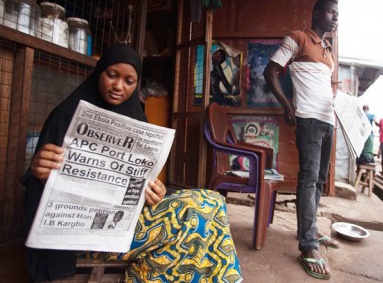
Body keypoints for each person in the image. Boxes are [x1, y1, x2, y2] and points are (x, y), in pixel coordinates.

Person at [22, 44, 242, 282]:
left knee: (212, 201)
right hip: (78, 236)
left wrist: (153, 189)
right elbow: (35, 190)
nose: (118, 86)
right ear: (99, 73)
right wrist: (40, 172)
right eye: (112, 75)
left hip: (122, 222)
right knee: (195, 218)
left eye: (129, 81)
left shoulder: (135, 117)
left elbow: (137, 182)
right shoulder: (66, 115)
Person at [263, 0, 338, 280]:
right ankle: (308, 246)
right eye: (332, 13)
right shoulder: (298, 38)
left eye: (338, 15)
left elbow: (324, 86)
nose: (335, 19)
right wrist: (287, 105)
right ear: (317, 12)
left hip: (329, 121)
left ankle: (309, 231)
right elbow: (270, 71)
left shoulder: (328, 51)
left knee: (319, 180)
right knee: (308, 179)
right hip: (308, 119)